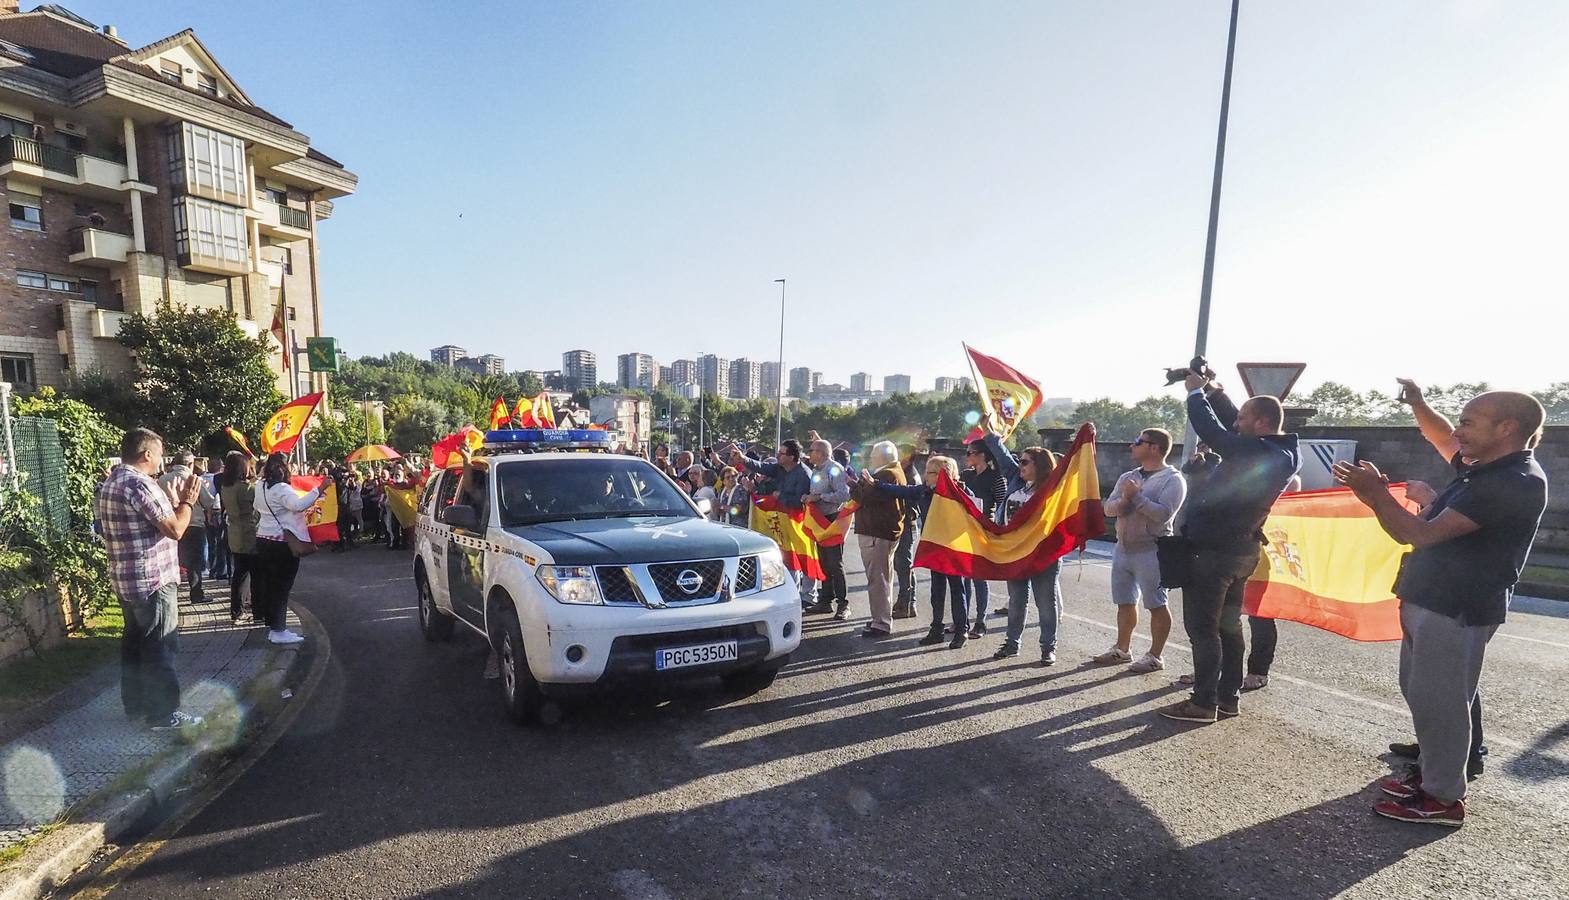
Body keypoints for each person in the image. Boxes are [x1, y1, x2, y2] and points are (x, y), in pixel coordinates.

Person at [1336, 384, 1546, 827]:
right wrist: (1416, 403)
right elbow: (1442, 436)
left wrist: (1376, 495)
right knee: (1424, 696)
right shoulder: (1485, 469)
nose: (1460, 431)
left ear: (1506, 428)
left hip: (1456, 608)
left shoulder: (1513, 480)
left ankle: (1442, 798)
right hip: (1431, 600)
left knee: (1444, 703)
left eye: (1470, 422)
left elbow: (1421, 535)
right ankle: (1432, 776)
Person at [1159, 371, 1300, 723]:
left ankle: (1203, 703)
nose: (1236, 422)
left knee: (1204, 629)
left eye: (1242, 418)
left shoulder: (1263, 452)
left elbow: (1217, 434)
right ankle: (1226, 698)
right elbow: (1235, 425)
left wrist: (1195, 395)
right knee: (1227, 627)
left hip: (1215, 553)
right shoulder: (1274, 449)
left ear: (1262, 423)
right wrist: (1212, 390)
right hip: (1236, 551)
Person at [96, 427, 205, 730]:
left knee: (134, 645)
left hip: (126, 580)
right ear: (146, 454)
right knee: (159, 645)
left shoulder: (113, 481)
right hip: (152, 580)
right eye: (159, 454)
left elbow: (149, 524)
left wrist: (171, 505)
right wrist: (186, 503)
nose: (161, 460)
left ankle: (137, 705)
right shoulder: (139, 484)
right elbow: (175, 529)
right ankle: (163, 713)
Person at [1094, 428, 1186, 674]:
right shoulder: (1128, 475)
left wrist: (1135, 498)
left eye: (1138, 442)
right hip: (1123, 548)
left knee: (1156, 603)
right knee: (1124, 601)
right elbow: (1109, 509)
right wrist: (1124, 501)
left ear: (1154, 448)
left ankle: (1155, 656)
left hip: (1152, 550)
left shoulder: (1173, 479)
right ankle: (1122, 649)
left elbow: (1164, 514)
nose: (1132, 446)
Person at [863, 456, 975, 649]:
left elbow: (975, 514)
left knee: (957, 590)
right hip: (934, 547)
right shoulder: (925, 491)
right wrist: (876, 484)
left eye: (930, 472)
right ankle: (936, 629)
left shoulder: (961, 491)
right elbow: (901, 491)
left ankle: (961, 630)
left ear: (943, 474)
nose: (925, 476)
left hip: (954, 549)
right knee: (937, 591)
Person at [983, 432, 1064, 666]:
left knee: (1046, 603)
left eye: (1026, 462)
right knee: (1017, 601)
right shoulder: (1017, 481)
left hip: (1042, 555)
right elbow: (1003, 456)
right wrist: (990, 434)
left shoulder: (1052, 489)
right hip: (1015, 552)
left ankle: (1048, 648)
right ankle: (1012, 644)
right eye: (1020, 461)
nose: (1021, 465)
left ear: (1039, 466)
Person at [720, 440, 815, 607]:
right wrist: (742, 459)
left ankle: (808, 595)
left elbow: (799, 503)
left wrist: (780, 497)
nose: (777, 455)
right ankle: (791, 593)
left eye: (781, 453)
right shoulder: (779, 469)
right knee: (787, 557)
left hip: (798, 523)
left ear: (792, 457)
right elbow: (762, 467)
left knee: (802, 557)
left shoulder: (803, 475)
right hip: (782, 521)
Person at [1240, 471, 1303, 691]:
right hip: (1235, 553)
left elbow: (1283, 508)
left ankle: (1258, 670)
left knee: (1260, 616)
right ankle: (1214, 665)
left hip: (1265, 555)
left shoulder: (1287, 477)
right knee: (1222, 614)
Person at [254, 452, 320, 645]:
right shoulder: (282, 489)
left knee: (271, 585)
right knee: (282, 587)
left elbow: (258, 507)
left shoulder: (260, 486)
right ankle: (279, 630)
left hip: (263, 539)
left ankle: (273, 626)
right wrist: (318, 490)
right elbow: (298, 505)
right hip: (281, 542)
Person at [848, 441, 907, 637]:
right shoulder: (894, 471)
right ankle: (880, 617)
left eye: (874, 455)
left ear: (882, 457)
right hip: (883, 531)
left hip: (877, 532)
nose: (871, 458)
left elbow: (865, 497)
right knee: (883, 578)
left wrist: (853, 486)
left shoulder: (886, 474)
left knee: (878, 579)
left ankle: (881, 622)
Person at [961, 439, 1009, 635]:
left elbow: (1003, 503)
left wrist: (997, 528)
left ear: (982, 455)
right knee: (963, 577)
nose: (967, 456)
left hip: (983, 530)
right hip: (964, 529)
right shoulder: (965, 476)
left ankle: (980, 620)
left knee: (978, 577)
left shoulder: (995, 477)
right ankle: (961, 618)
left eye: (970, 452)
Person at [159, 451, 217, 603]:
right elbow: (209, 502)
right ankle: (196, 594)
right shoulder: (194, 480)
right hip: (193, 523)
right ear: (190, 464)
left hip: (169, 523)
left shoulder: (162, 479)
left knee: (173, 559)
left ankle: (170, 595)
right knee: (195, 562)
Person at [803, 438, 851, 617]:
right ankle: (825, 601)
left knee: (835, 564)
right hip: (819, 521)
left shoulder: (834, 469)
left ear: (821, 453)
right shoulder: (817, 469)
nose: (809, 453)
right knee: (823, 563)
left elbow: (844, 495)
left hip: (832, 521)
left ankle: (843, 604)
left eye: (812, 450)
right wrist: (808, 497)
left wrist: (820, 497)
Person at [218, 451, 260, 625]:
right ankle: (258, 610)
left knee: (239, 574)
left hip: (234, 532)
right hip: (249, 533)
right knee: (255, 574)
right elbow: (257, 505)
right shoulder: (247, 488)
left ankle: (237, 611)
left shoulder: (225, 487)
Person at [892, 444, 923, 619]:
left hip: (907, 525)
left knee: (905, 566)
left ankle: (909, 603)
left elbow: (912, 506)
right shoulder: (902, 473)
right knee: (900, 565)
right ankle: (904, 600)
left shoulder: (911, 477)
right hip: (901, 524)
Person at [204, 456, 231, 581]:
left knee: (210, 542)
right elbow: (214, 497)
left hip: (207, 511)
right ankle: (220, 570)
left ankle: (211, 568)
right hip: (218, 511)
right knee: (220, 543)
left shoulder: (201, 479)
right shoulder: (219, 479)